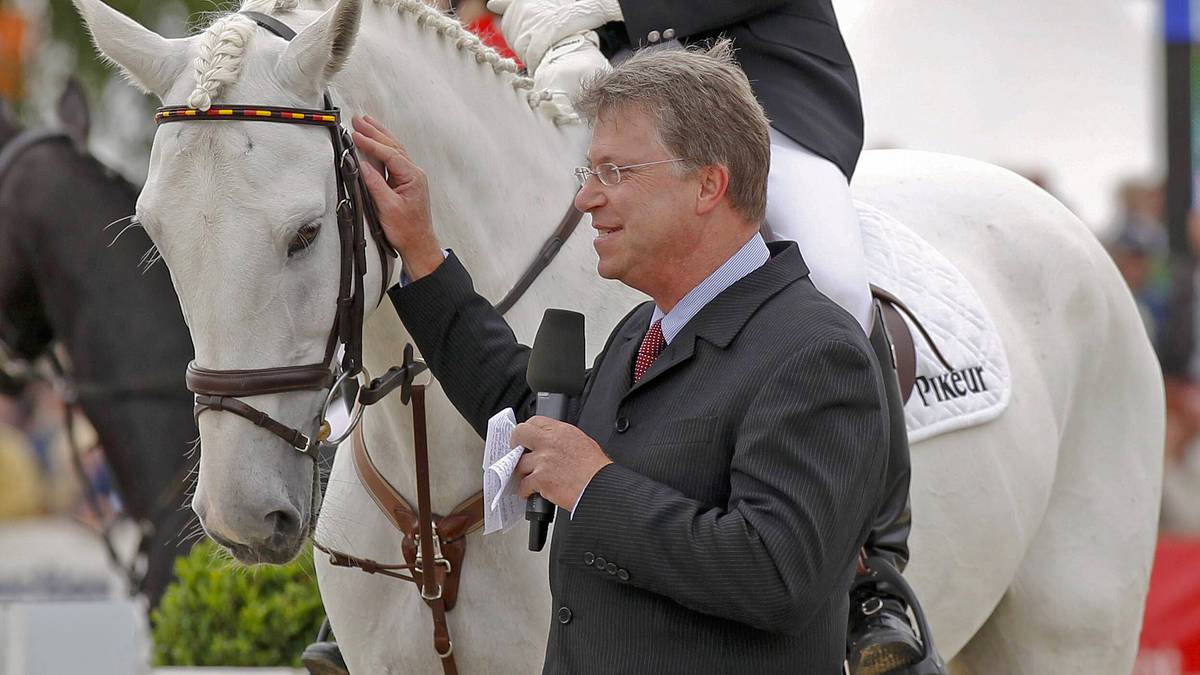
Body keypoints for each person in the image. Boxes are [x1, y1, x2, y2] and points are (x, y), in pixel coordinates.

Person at [356, 42, 891, 673]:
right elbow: (538, 422)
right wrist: (421, 252)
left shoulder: (816, 352)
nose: (586, 200)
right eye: (589, 173)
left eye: (616, 172)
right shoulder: (642, 329)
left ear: (709, 184)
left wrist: (593, 489)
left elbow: (777, 573)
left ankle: (888, 593)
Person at [485, 1, 930, 671]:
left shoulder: (815, 355)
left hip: (768, 98)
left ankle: (875, 574)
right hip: (617, 90)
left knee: (836, 279)